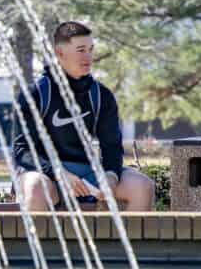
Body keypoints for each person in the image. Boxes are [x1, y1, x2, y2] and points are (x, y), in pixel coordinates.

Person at [12, 21, 155, 211]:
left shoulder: (101, 95)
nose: (88, 56)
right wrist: (58, 173)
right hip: (43, 174)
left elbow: (112, 147)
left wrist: (110, 177)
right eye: (81, 50)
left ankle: (128, 241)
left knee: (142, 186)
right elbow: (23, 150)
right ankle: (35, 242)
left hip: (87, 174)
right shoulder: (36, 93)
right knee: (35, 187)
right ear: (59, 52)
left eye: (90, 49)